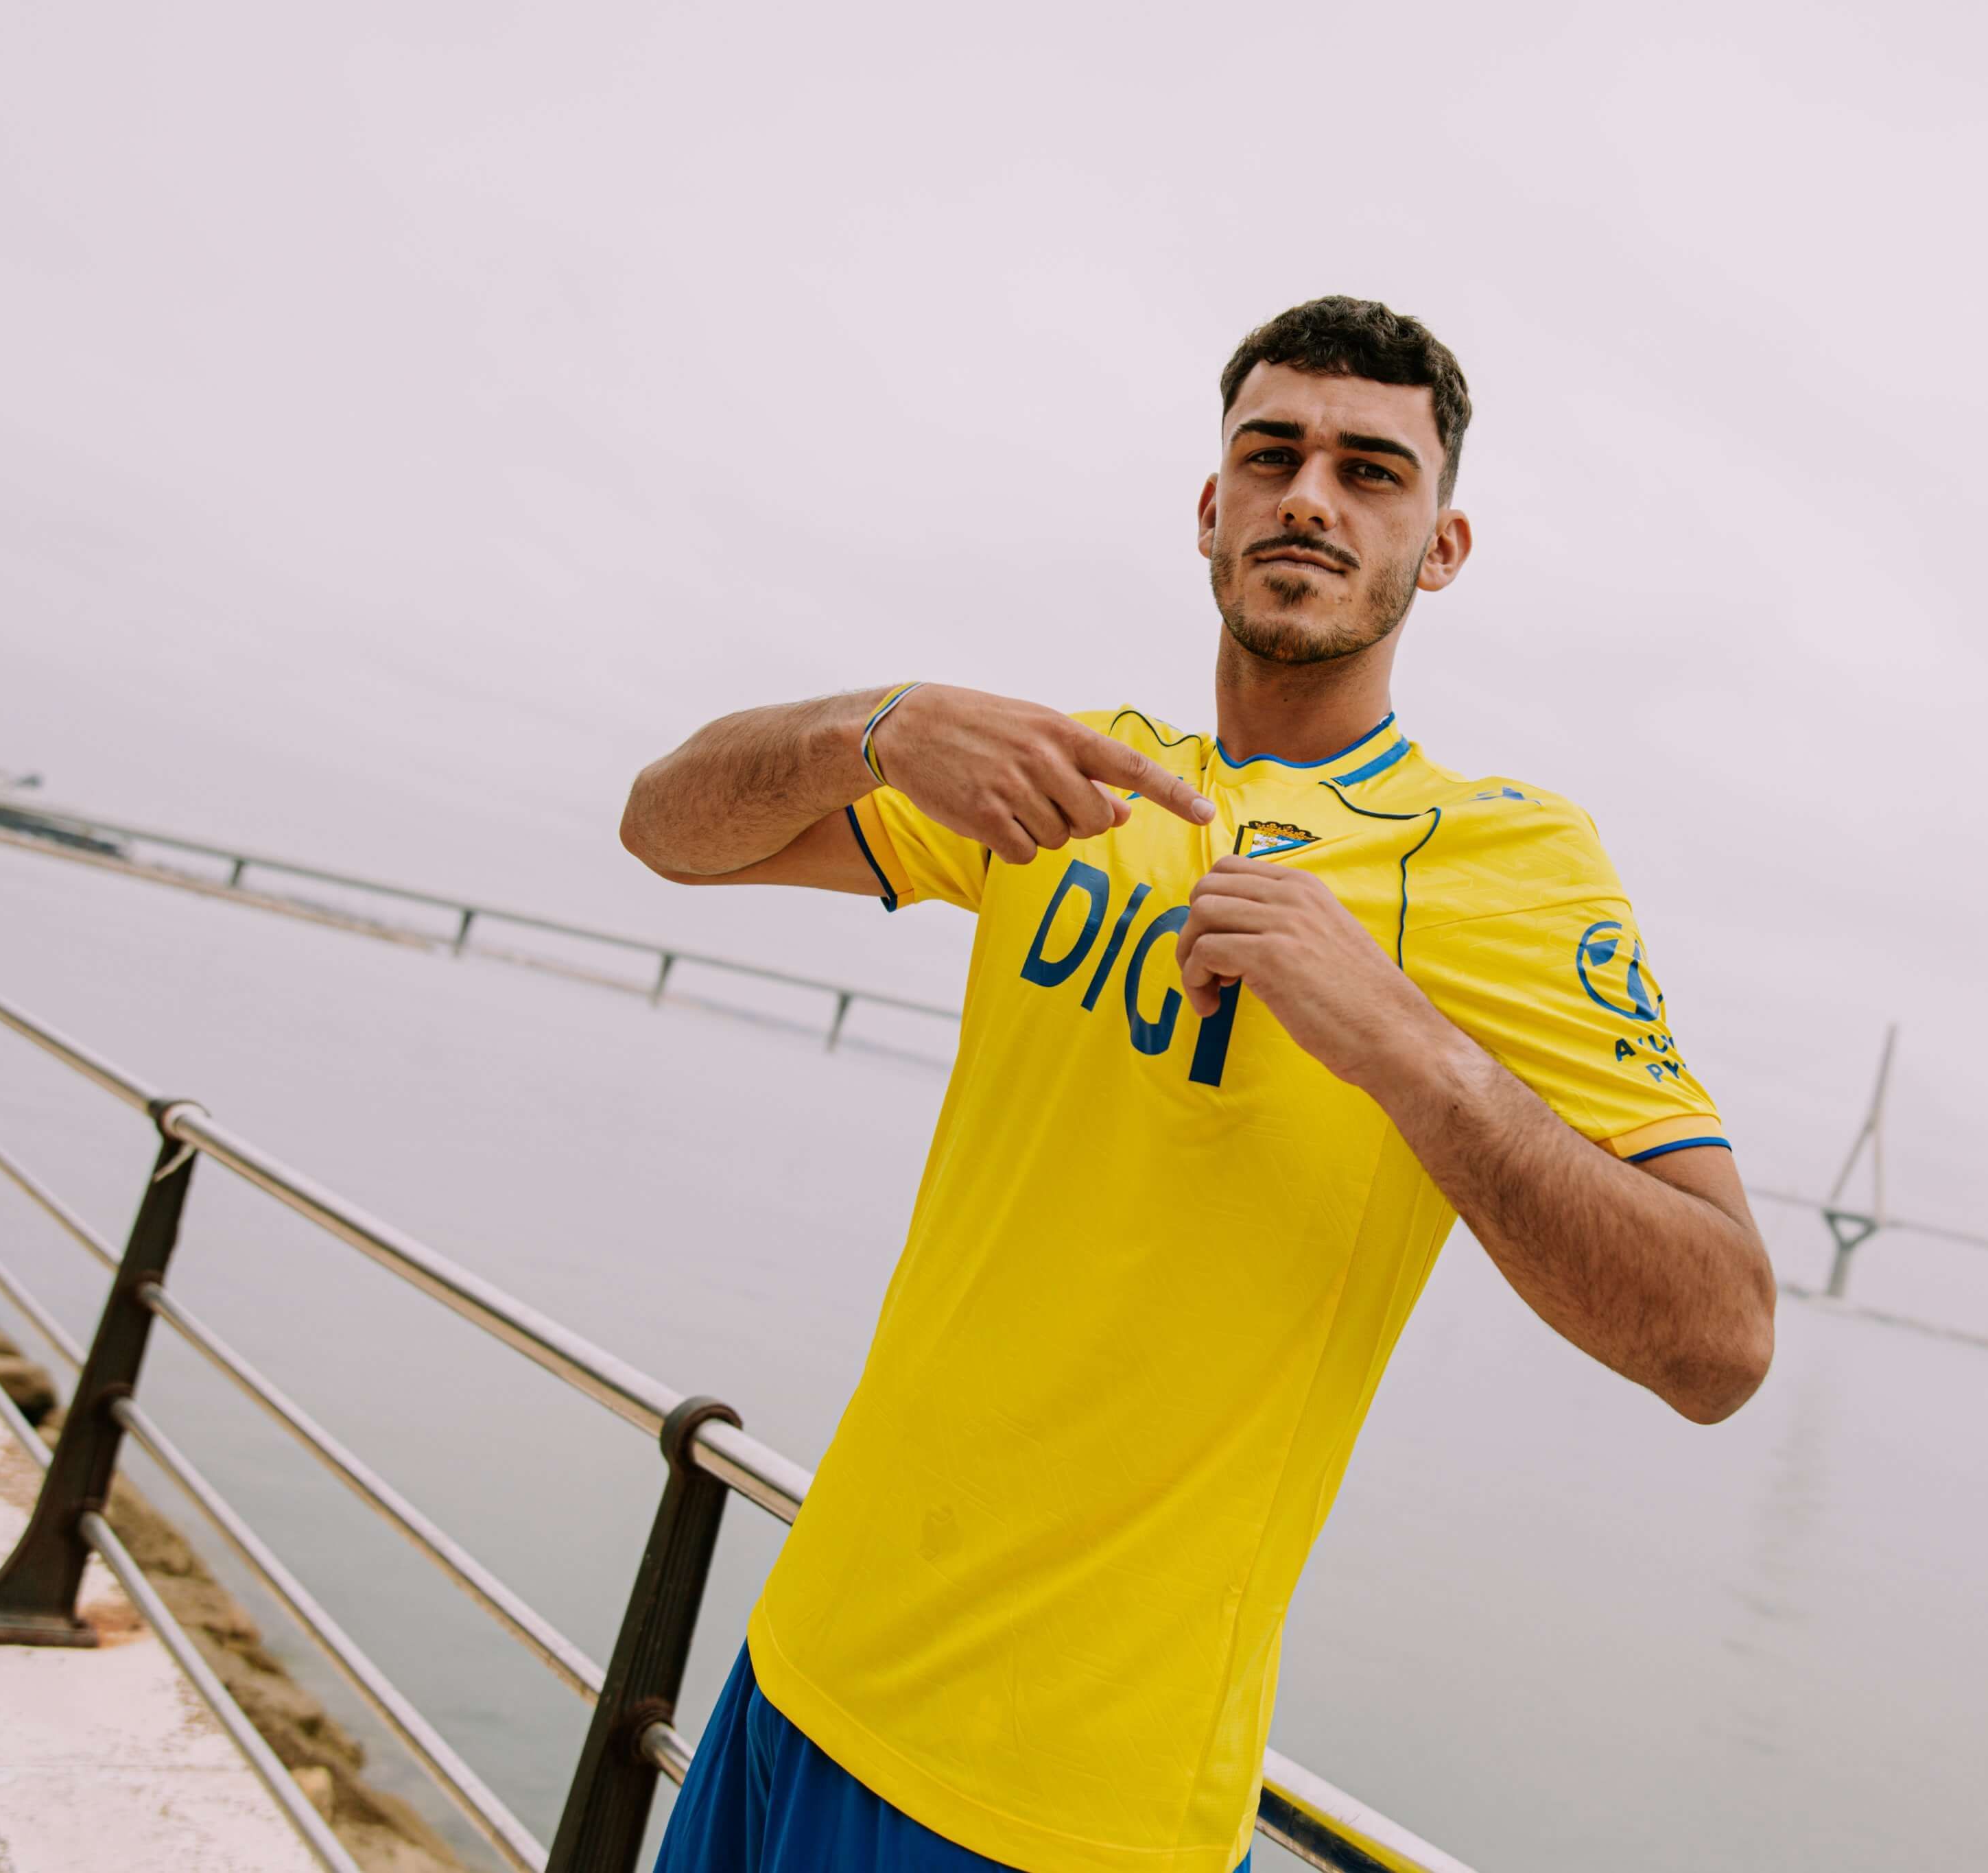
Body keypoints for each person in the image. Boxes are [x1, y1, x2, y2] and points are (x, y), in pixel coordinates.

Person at [619, 296, 1777, 1873]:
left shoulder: (1507, 864)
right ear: (1209, 510)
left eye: (1372, 470)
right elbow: (665, 833)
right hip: (796, 1667)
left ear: (1438, 548)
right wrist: (871, 730)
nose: (1310, 493)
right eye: (1270, 452)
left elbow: (1719, 1336)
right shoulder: (1073, 776)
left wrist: (1398, 1037)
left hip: (1063, 1808)